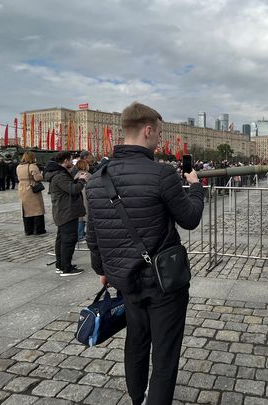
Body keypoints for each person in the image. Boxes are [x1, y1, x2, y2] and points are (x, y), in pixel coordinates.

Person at [85, 102, 204, 405]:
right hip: (163, 281)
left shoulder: (97, 179)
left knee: (136, 342)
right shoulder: (161, 175)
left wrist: (103, 271)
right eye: (159, 133)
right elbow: (189, 219)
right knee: (164, 353)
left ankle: (137, 398)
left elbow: (93, 235)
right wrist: (195, 187)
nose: (160, 139)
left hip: (125, 281)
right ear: (148, 130)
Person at [44, 151, 89, 276]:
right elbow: (73, 189)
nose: (72, 163)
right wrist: (82, 180)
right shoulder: (60, 175)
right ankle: (66, 268)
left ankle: (61, 264)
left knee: (62, 239)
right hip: (66, 211)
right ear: (65, 161)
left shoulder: (59, 174)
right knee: (68, 240)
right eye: (70, 160)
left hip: (64, 210)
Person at [17, 152, 47, 236]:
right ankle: (38, 229)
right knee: (37, 209)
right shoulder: (32, 166)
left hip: (22, 188)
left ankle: (28, 230)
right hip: (32, 188)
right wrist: (41, 175)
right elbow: (37, 178)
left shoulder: (19, 166)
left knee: (26, 210)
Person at [73, 159, 91, 241]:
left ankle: (79, 234)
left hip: (78, 197)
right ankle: (87, 234)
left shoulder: (76, 175)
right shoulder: (88, 175)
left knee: (80, 217)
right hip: (87, 196)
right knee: (87, 215)